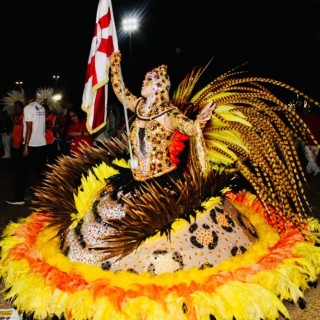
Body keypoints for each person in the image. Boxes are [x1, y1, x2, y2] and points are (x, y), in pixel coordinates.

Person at [1, 52, 320, 320]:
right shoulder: (140, 107)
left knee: (165, 232)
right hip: (134, 178)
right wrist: (113, 66)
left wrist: (201, 121)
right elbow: (121, 92)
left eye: (152, 84)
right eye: (145, 83)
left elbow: (188, 127)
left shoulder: (168, 113)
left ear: (162, 89)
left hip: (163, 181)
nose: (146, 87)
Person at [6, 96, 47, 205]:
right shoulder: (41, 108)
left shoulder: (28, 108)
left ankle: (19, 198)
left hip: (31, 144)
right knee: (40, 172)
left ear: (26, 97)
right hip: (41, 143)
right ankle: (42, 197)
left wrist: (26, 146)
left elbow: (29, 127)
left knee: (22, 172)